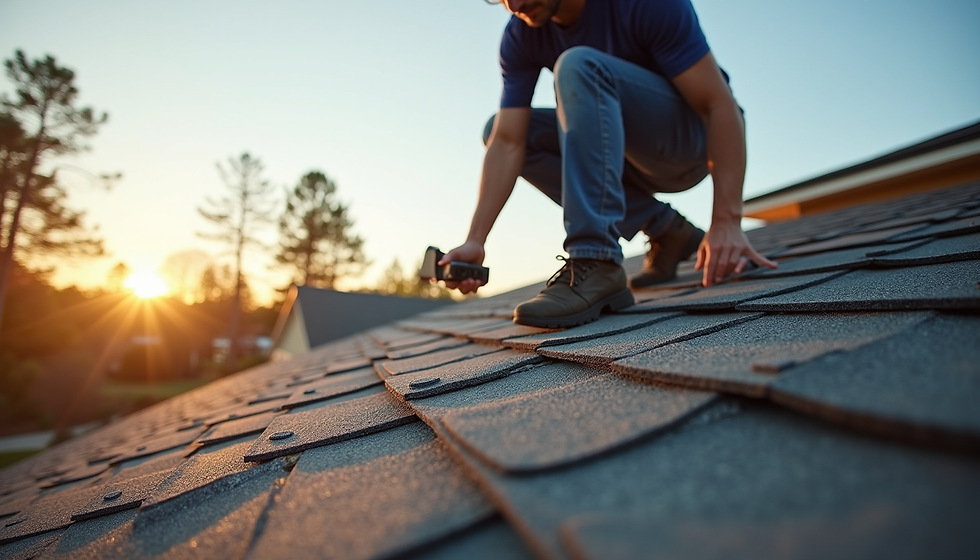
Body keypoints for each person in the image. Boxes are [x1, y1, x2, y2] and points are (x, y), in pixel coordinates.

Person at [440, 0, 776, 328]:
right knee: (498, 128)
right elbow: (508, 142)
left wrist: (727, 221)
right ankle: (666, 228)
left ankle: (596, 256)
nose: (513, 4)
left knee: (577, 65)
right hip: (620, 155)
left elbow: (719, 105)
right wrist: (476, 239)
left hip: (692, 145)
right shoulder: (521, 35)